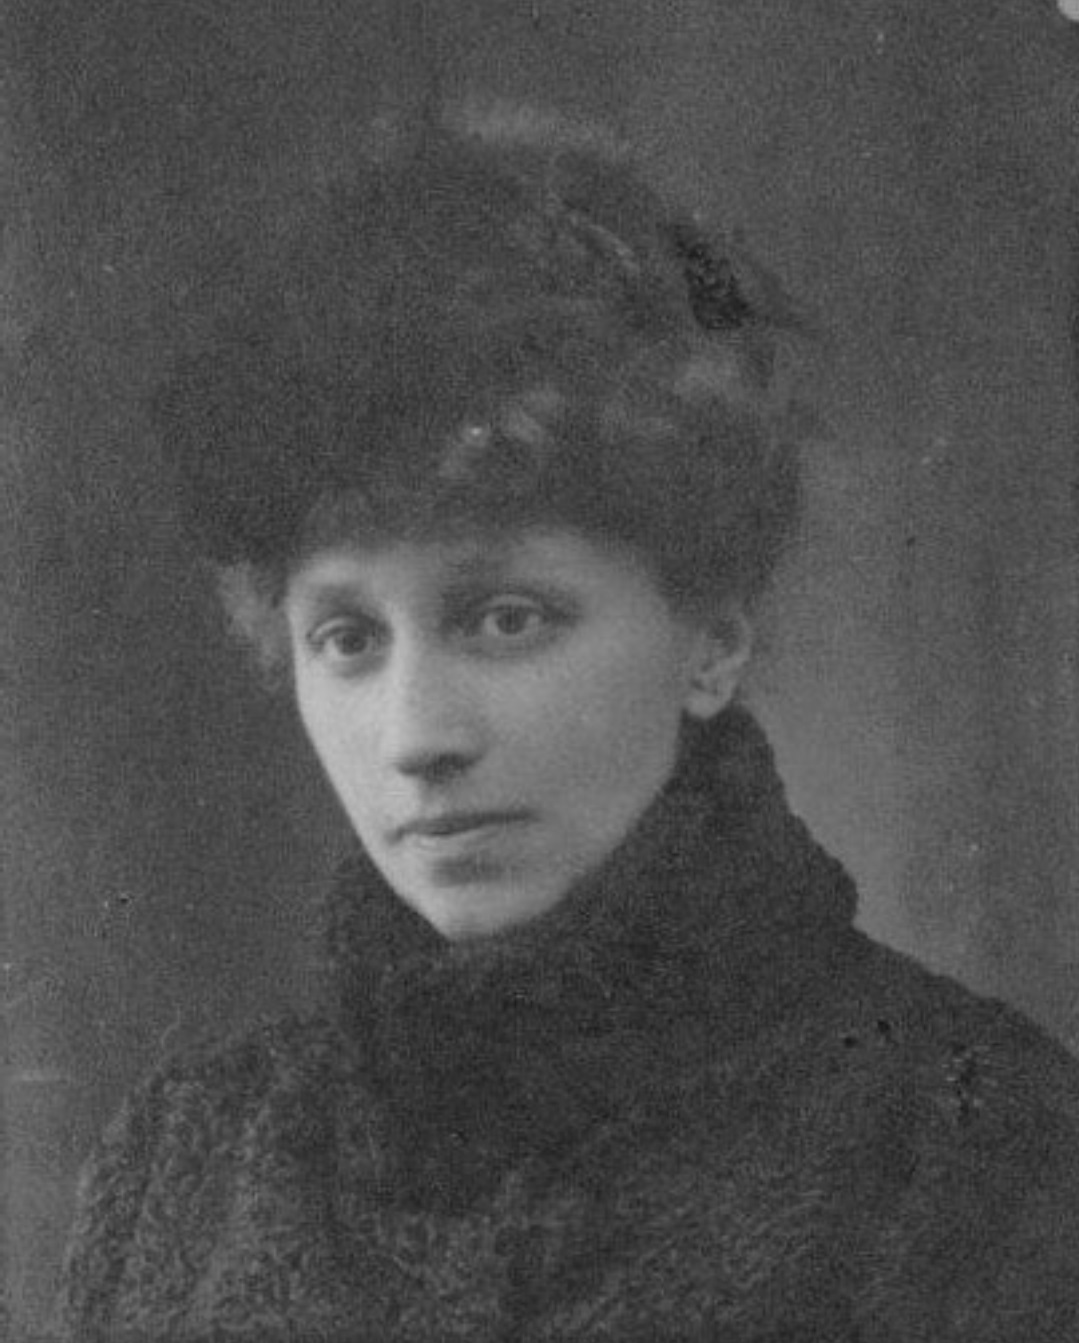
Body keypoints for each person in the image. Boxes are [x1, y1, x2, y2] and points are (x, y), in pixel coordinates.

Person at [56, 105, 1079, 1342]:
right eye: (347, 638)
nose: (414, 735)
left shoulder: (967, 1146)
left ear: (711, 638)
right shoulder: (187, 1162)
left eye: (504, 617)